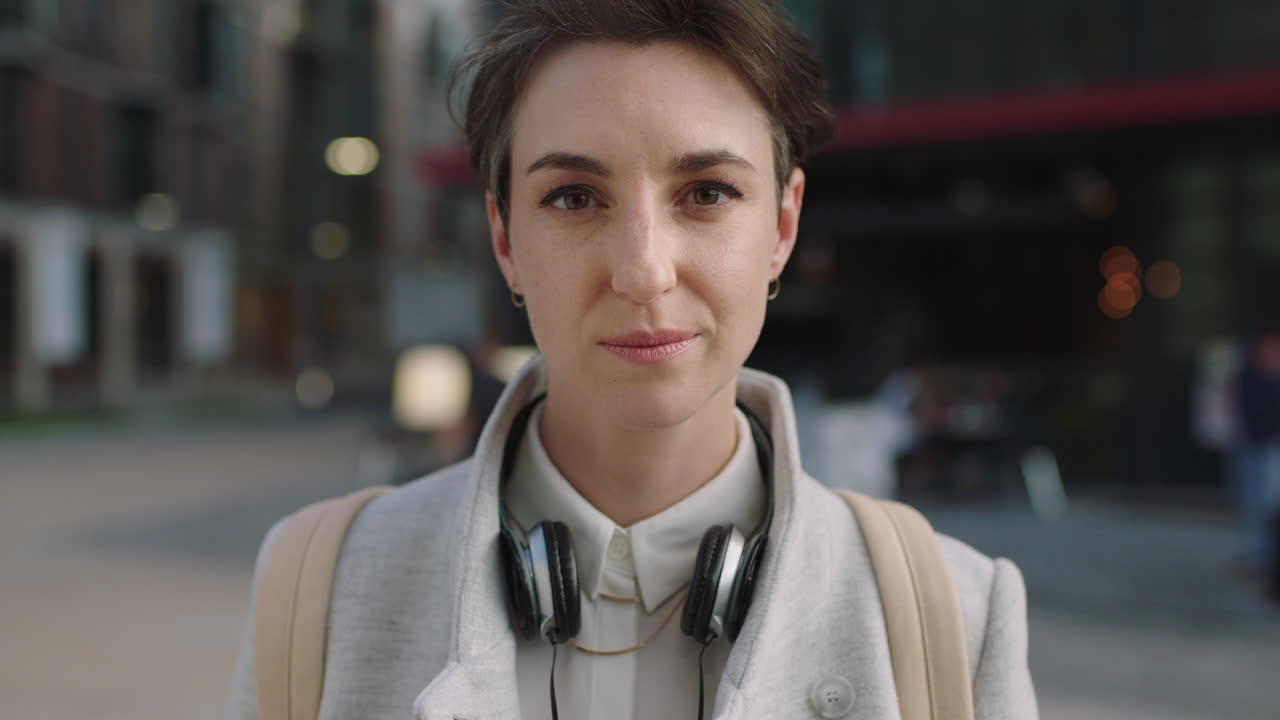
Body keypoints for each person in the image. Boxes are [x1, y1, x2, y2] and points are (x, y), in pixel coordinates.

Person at [227, 1, 1037, 718]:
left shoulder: (953, 616)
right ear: (505, 239)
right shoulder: (321, 590)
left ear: (783, 226)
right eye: (574, 198)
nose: (643, 272)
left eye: (708, 192)